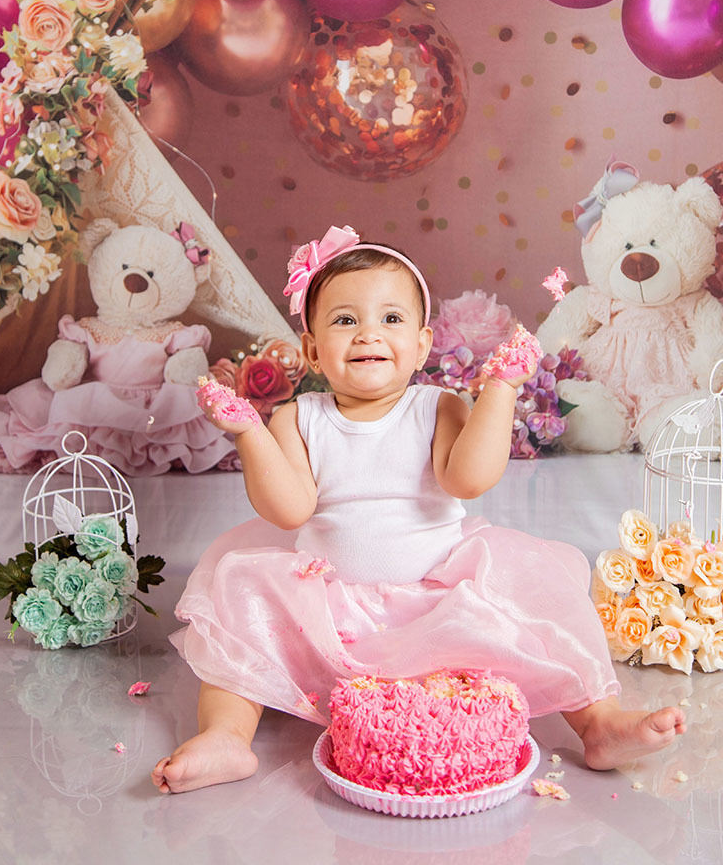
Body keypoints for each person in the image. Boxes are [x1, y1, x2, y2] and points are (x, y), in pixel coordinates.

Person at [151, 225, 686, 795]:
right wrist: (249, 433)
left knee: (539, 602)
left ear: (424, 344)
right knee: (241, 608)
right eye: (345, 320)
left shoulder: (437, 407)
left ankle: (599, 723)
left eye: (391, 318)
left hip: (436, 597)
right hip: (327, 605)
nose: (368, 333)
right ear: (311, 350)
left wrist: (500, 391)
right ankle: (227, 736)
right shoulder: (298, 417)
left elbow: (468, 478)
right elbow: (289, 509)